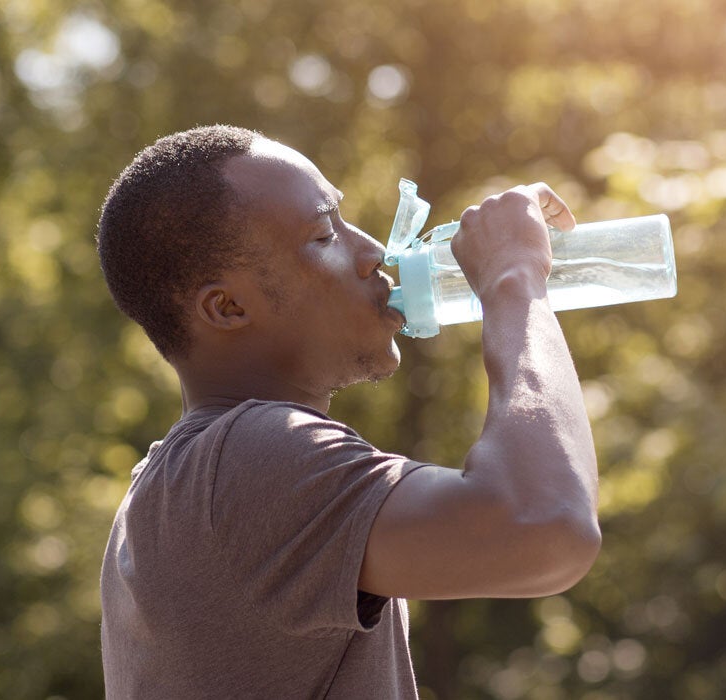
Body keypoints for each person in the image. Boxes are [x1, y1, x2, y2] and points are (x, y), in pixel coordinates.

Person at [95, 124, 600, 699]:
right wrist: (514, 278)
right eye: (322, 234)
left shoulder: (168, 489)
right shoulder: (248, 460)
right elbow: (546, 525)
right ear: (229, 307)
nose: (372, 252)